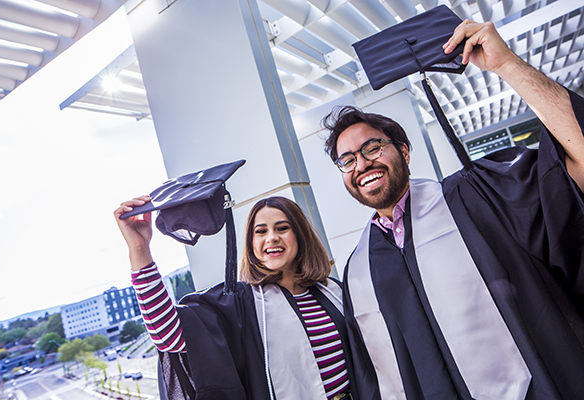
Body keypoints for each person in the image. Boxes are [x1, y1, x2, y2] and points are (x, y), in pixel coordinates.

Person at [321, 20, 584, 400]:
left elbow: (574, 161)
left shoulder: (477, 195)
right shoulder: (358, 271)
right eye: (347, 160)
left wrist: (508, 65)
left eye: (372, 148)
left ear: (404, 151)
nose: (361, 164)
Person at [114, 196, 358, 400]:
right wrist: (139, 250)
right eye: (260, 231)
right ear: (251, 244)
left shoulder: (332, 292)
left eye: (282, 228)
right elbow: (168, 334)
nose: (271, 237)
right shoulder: (241, 304)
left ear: (301, 235)